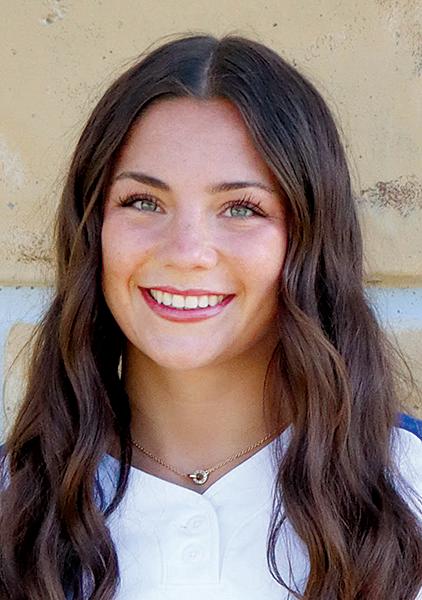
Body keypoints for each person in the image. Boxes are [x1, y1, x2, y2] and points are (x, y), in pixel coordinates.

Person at [0, 32, 421, 600]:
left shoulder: (409, 487)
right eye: (143, 202)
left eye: (241, 208)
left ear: (309, 240)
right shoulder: (13, 508)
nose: (186, 252)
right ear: (92, 229)